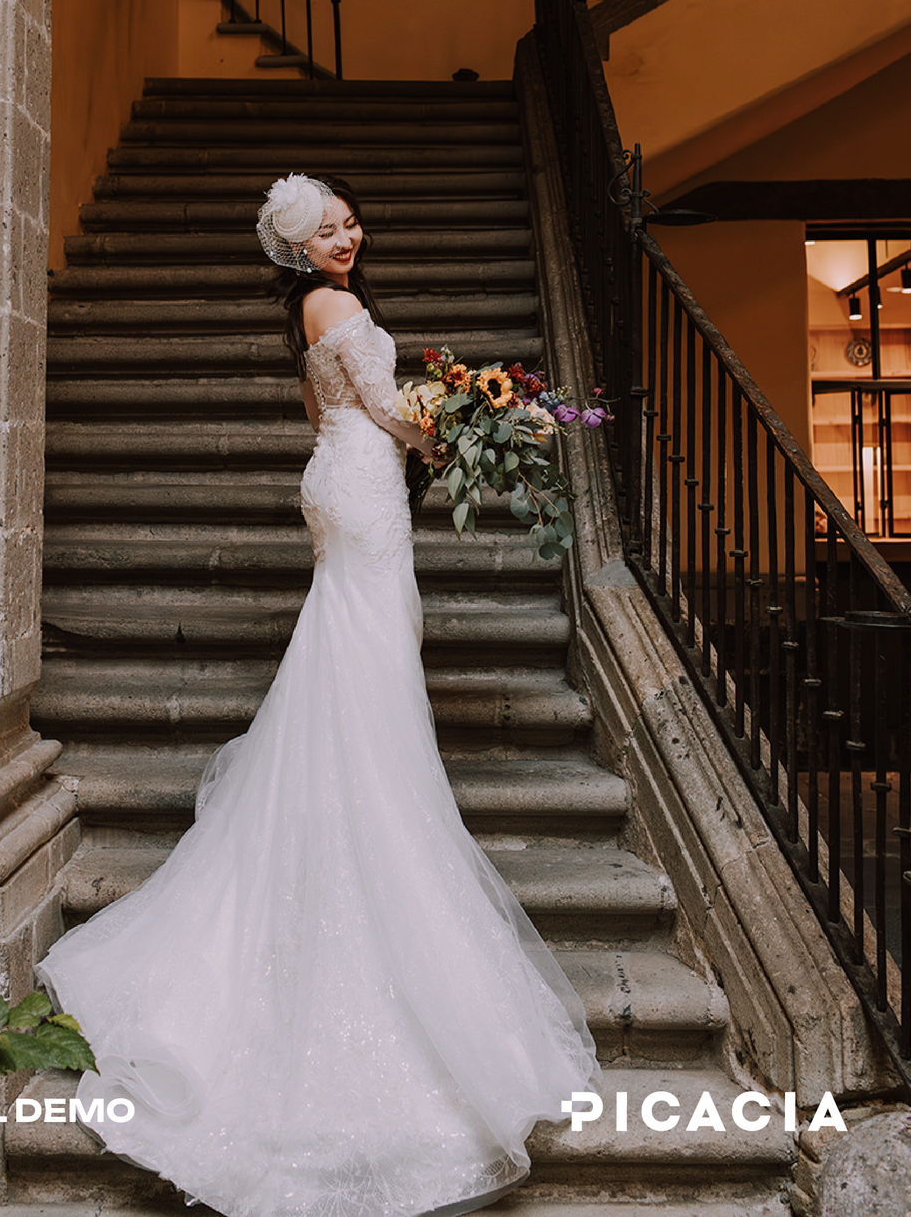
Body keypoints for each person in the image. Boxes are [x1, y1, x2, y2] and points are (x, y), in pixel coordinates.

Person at [37, 173, 600, 1217]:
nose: (346, 236)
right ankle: (365, 795)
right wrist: (483, 432)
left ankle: (349, 780)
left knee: (349, 650)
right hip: (360, 487)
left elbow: (320, 405)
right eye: (325, 231)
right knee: (369, 652)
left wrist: (426, 427)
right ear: (298, 250)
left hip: (333, 479)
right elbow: (387, 411)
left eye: (346, 221)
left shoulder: (310, 315)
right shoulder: (336, 305)